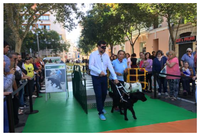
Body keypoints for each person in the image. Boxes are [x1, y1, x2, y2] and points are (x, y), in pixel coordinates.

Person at [89, 40, 119, 120]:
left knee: (104, 94)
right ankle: (100, 112)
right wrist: (99, 71)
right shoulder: (93, 55)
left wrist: (115, 78)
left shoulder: (106, 56)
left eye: (105, 47)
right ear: (98, 46)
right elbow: (90, 66)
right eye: (102, 47)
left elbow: (110, 66)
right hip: (96, 77)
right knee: (98, 95)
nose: (104, 48)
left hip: (104, 77)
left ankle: (101, 107)